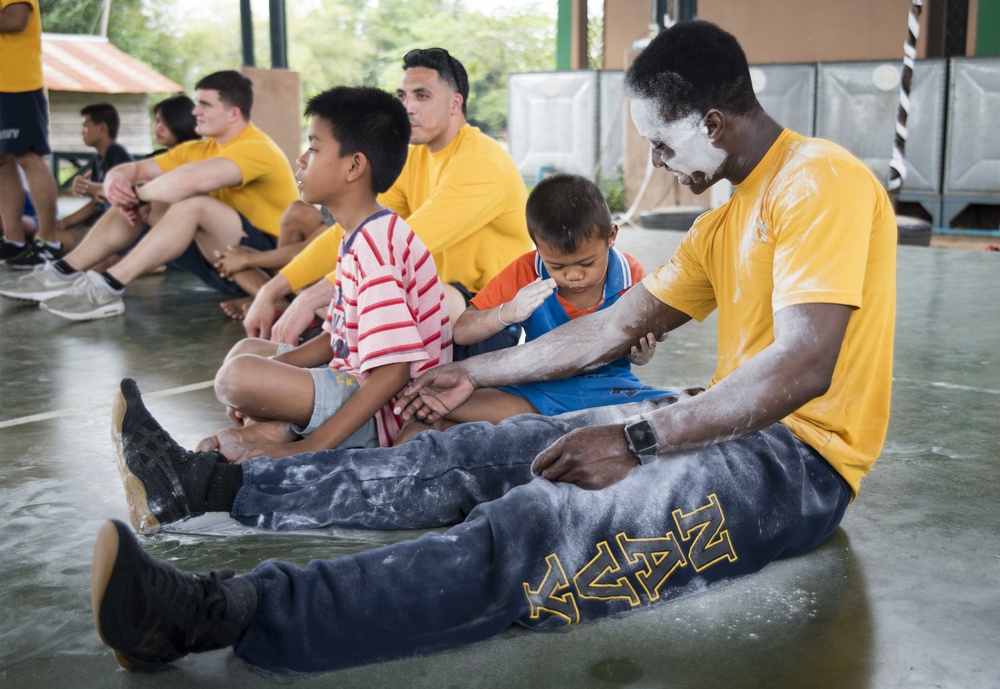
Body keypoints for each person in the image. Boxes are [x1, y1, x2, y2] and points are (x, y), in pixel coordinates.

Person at [90, 21, 896, 675]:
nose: (657, 163)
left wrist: (636, 437)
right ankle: (199, 484)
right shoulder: (726, 219)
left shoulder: (818, 181)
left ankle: (217, 614)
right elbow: (610, 326)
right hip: (720, 421)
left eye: (661, 144)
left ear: (712, 123)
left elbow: (802, 364)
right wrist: (466, 369)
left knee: (548, 521)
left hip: (799, 463)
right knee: (478, 449)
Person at [194, 85, 451, 462]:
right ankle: (264, 434)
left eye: (313, 149)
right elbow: (337, 340)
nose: (300, 159)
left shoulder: (376, 246)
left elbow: (394, 372)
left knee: (237, 377)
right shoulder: (357, 234)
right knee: (246, 354)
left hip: (386, 411)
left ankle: (286, 436)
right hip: (353, 378)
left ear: (354, 166)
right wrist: (269, 377)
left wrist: (310, 446)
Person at [243, 48, 532, 360]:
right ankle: (329, 356)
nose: (407, 107)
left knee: (374, 286)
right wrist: (272, 290)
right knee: (360, 285)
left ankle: (330, 363)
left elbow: (392, 245)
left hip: (494, 317)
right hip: (447, 300)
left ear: (455, 103)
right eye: (402, 95)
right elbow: (357, 229)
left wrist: (311, 298)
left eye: (422, 96)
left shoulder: (481, 163)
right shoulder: (415, 157)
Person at [394, 172, 672, 444]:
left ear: (611, 236)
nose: (573, 276)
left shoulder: (630, 273)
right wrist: (508, 312)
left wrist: (642, 354)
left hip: (610, 390)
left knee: (682, 417)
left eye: (587, 264)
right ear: (537, 246)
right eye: (558, 266)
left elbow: (642, 358)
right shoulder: (525, 271)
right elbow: (462, 332)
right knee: (428, 413)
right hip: (537, 391)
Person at [0, 70, 299, 321]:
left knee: (193, 204)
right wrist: (119, 181)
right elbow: (133, 169)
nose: (195, 111)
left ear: (234, 113)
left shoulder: (257, 147)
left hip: (267, 262)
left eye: (205, 105)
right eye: (196, 103)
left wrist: (135, 196)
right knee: (152, 200)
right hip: (220, 261)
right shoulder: (197, 148)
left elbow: (192, 179)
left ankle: (109, 285)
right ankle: (64, 270)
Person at [0, 0, 61, 267]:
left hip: (16, 84)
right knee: (2, 161)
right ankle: (14, 241)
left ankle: (50, 241)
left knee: (28, 156)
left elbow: (15, 20)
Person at [39, 104, 134, 248]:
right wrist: (65, 221)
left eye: (86, 126)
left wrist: (91, 188)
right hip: (95, 222)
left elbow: (124, 193)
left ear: (102, 128)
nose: (82, 132)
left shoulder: (116, 153)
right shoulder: (98, 159)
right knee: (45, 233)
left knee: (45, 238)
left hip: (111, 227)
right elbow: (96, 203)